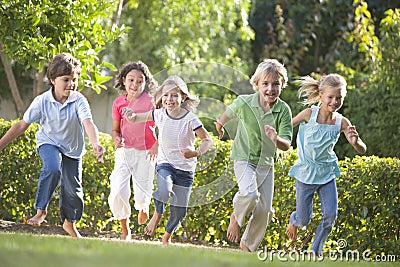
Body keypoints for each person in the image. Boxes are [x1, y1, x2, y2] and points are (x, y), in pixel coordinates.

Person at [0, 53, 104, 237]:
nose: (71, 84)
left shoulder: (79, 100)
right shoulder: (42, 101)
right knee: (53, 168)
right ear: (53, 80)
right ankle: (41, 212)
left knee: (73, 189)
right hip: (49, 142)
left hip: (73, 149)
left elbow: (88, 123)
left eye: (75, 79)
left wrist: (95, 143)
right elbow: (21, 125)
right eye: (66, 80)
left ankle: (69, 223)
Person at [122, 75, 213, 245]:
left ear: (183, 97)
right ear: (161, 97)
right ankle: (157, 214)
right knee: (164, 190)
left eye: (174, 95)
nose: (169, 99)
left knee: (180, 212)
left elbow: (207, 140)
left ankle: (166, 237)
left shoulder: (190, 119)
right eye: (165, 95)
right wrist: (130, 114)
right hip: (166, 164)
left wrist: (195, 153)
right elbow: (135, 118)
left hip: (185, 170)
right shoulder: (160, 114)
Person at [215, 59, 293, 252]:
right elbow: (227, 114)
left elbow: (286, 144)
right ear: (257, 84)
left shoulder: (283, 110)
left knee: (265, 210)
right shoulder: (244, 102)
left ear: (282, 85)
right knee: (250, 194)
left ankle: (247, 246)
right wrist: (220, 124)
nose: (270, 88)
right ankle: (236, 217)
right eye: (265, 84)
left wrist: (276, 139)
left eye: (275, 84)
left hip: (266, 164)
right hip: (243, 158)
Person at [285, 74, 367, 256]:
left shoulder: (342, 122)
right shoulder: (309, 114)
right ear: (321, 95)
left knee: (330, 215)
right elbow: (287, 126)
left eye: (339, 98)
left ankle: (315, 249)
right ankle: (295, 219)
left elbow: (362, 149)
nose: (335, 101)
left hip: (327, 174)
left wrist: (355, 142)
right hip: (306, 173)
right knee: (304, 219)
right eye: (330, 97)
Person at [108, 61, 158, 240]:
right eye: (131, 80)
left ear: (146, 83)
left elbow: (163, 123)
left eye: (140, 81)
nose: (135, 85)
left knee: (143, 188)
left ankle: (143, 207)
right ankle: (125, 229)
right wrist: (115, 138)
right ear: (124, 81)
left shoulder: (152, 102)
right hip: (124, 150)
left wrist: (156, 144)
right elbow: (115, 129)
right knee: (118, 189)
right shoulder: (118, 103)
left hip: (146, 151)